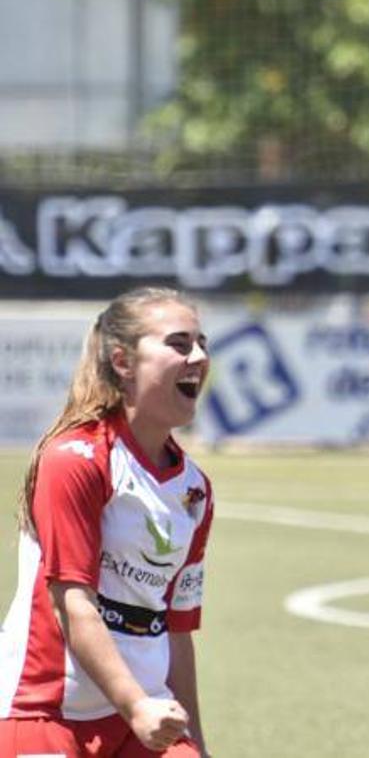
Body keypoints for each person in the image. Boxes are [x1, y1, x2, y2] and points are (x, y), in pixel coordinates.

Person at [0, 287, 214, 757]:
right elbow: (74, 605)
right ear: (123, 361)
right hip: (45, 711)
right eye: (179, 344)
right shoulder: (75, 458)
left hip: (142, 718)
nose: (198, 356)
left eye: (202, 343)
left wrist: (195, 742)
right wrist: (137, 706)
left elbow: (177, 629)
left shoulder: (195, 490)